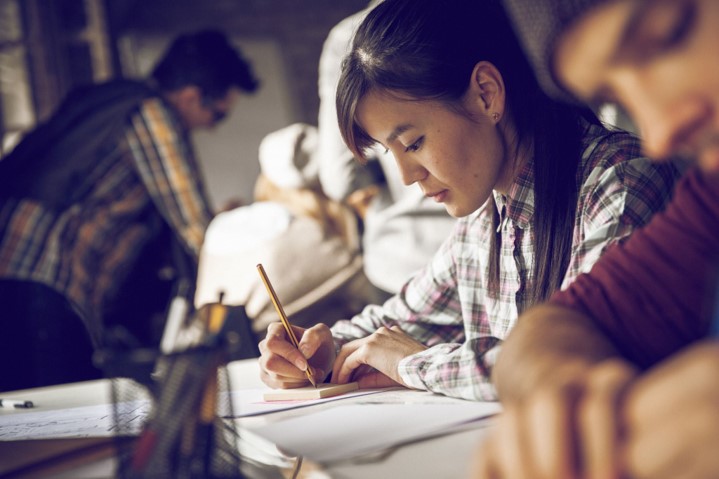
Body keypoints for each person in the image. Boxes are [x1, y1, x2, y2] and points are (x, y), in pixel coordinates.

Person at [257, 0, 679, 401]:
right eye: (393, 153)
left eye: (414, 142)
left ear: (486, 93)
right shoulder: (483, 224)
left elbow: (575, 364)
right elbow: (395, 322)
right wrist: (317, 352)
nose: (407, 177)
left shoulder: (621, 181)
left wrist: (416, 364)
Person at [473, 0, 719, 478]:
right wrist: (563, 394)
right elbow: (557, 323)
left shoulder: (618, 177)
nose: (659, 133)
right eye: (617, 98)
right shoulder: (709, 200)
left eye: (669, 35)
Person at [0, 29, 259, 391]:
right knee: (61, 414)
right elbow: (193, 225)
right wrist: (234, 240)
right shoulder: (152, 113)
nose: (213, 129)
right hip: (42, 275)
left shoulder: (110, 101)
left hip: (21, 273)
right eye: (218, 115)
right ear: (191, 96)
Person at [194, 122, 387, 341]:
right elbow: (376, 295)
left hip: (200, 354)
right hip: (272, 360)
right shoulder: (321, 242)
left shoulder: (222, 224)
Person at [316, 0, 457, 295]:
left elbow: (340, 178)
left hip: (398, 258)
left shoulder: (348, 37)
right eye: (384, 148)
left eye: (413, 143)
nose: (407, 178)